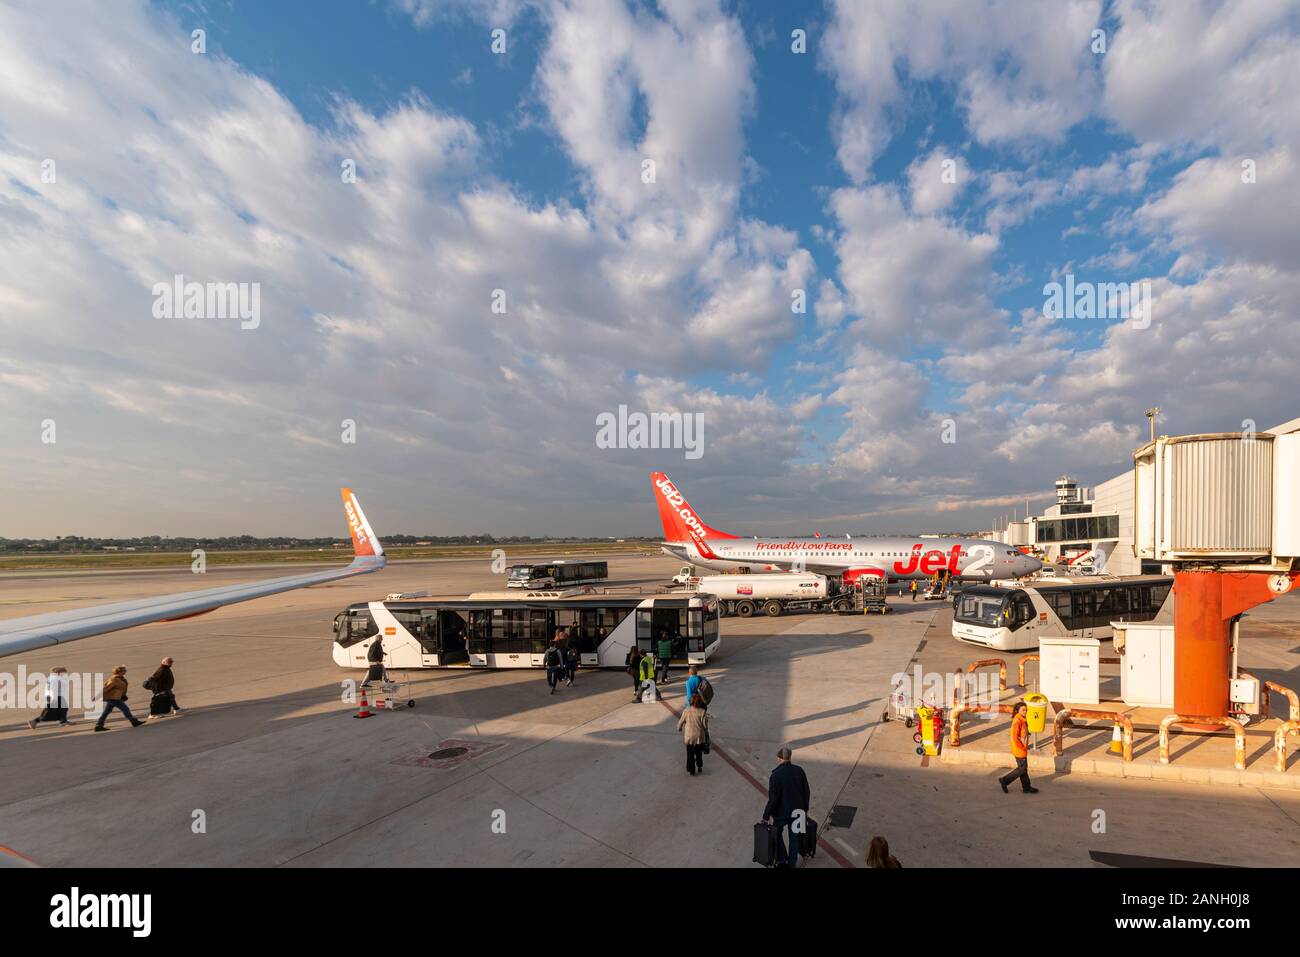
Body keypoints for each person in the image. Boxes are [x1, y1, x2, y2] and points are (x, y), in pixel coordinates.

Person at [762, 746, 811, 868]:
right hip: (798, 811)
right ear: (790, 757)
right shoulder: (799, 771)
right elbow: (806, 791)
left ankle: (782, 859)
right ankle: (792, 863)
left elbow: (773, 799)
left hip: (781, 813)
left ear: (779, 758)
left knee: (776, 834)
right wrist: (805, 809)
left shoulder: (775, 776)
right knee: (795, 839)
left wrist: (766, 815)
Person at [999, 700, 1039, 794]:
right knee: (1021, 769)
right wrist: (1021, 747)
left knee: (1023, 769)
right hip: (1019, 749)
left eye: (1026, 710)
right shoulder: (1017, 721)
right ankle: (1004, 780)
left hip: (1022, 748)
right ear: (1018, 711)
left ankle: (1026, 787)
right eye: (1023, 710)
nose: (1025, 712)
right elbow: (1014, 737)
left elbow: (1023, 732)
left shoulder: (1022, 719)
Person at [94, 666, 143, 731]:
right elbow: (106, 688)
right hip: (114, 698)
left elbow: (122, 688)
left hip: (116, 697)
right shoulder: (114, 679)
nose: (125, 671)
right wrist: (98, 696)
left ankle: (99, 725)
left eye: (125, 670)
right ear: (119, 672)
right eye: (124, 670)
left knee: (106, 711)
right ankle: (133, 721)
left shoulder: (121, 678)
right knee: (125, 709)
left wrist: (123, 695)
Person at [676, 692, 710, 776]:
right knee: (699, 753)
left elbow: (680, 722)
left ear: (691, 701)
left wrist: (679, 728)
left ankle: (691, 769)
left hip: (689, 737)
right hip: (699, 736)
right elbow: (705, 726)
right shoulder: (702, 712)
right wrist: (706, 733)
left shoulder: (686, 711)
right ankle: (699, 766)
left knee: (690, 754)